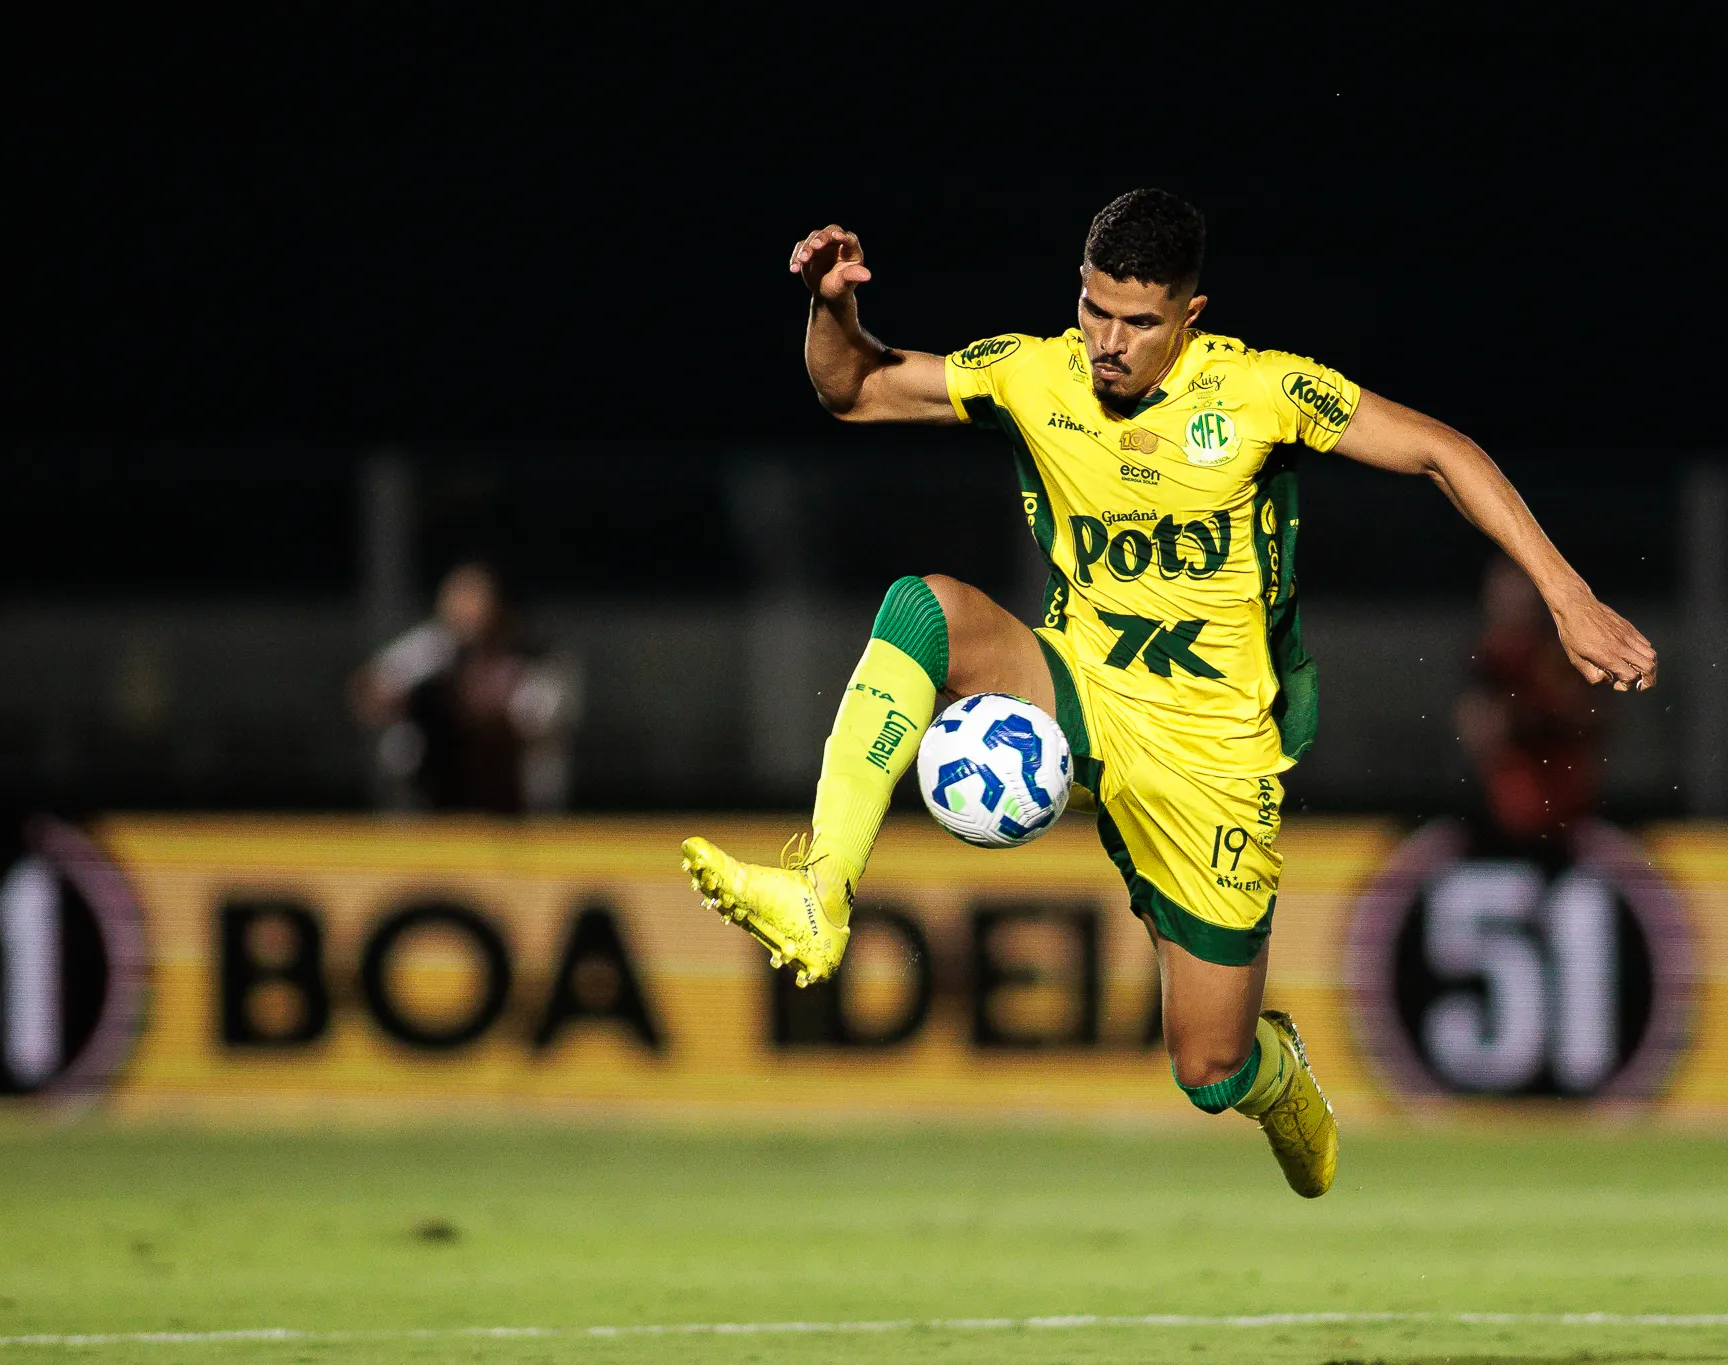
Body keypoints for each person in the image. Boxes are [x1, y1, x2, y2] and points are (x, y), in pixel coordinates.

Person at [680, 190, 1656, 1197]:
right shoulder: (1033, 372)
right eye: (1094, 310)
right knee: (923, 609)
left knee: (1206, 1067)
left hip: (1212, 763)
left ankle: (1273, 1077)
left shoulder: (1259, 392)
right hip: (1080, 692)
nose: (1107, 342)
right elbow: (854, 391)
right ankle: (821, 892)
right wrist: (831, 308)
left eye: (1138, 322)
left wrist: (1567, 597)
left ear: (1189, 316)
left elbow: (1438, 451)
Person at [353, 562, 579, 813]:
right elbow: (370, 690)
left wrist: (476, 708)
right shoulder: (433, 648)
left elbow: (541, 721)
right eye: (457, 596)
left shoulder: (536, 657)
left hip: (512, 805)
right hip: (434, 799)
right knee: (403, 741)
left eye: (474, 597)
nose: (464, 607)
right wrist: (424, 698)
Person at [1455, 555, 1608, 848]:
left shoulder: (1567, 652)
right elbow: (1481, 733)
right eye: (1506, 596)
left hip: (1571, 824)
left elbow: (1593, 718)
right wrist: (1533, 714)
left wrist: (1543, 714)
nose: (1516, 604)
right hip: (1497, 824)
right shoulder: (1486, 659)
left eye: (1524, 593)